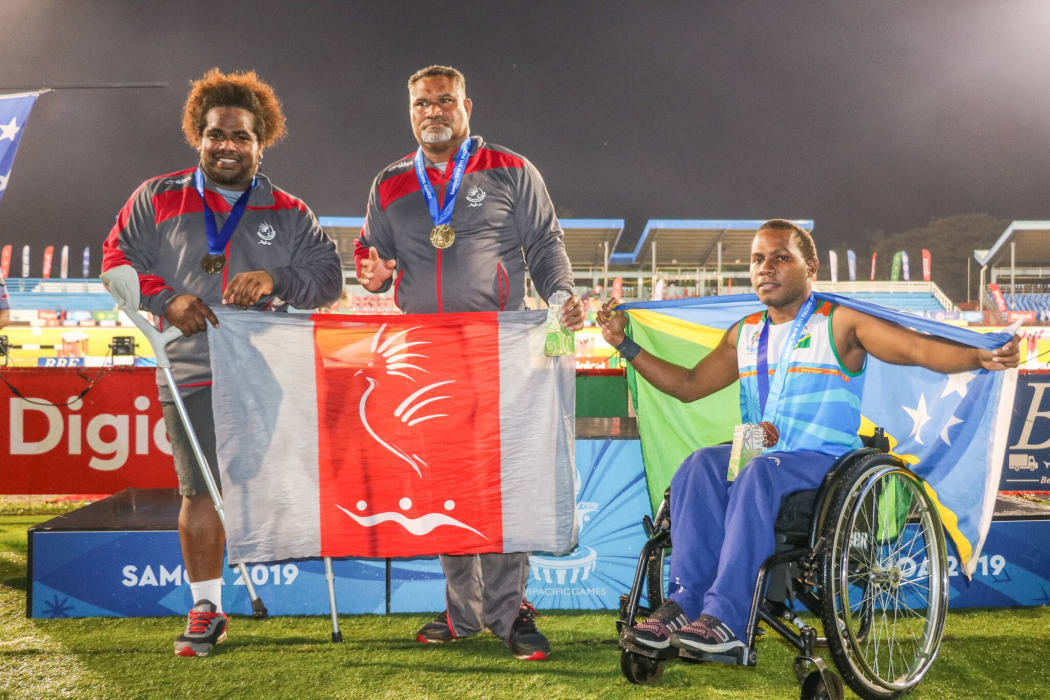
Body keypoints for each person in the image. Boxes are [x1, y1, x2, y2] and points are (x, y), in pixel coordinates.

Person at [597, 219, 1019, 659]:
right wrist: (625, 346)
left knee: (758, 470)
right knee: (699, 464)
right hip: (760, 452)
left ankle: (726, 618)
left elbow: (916, 349)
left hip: (823, 462)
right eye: (758, 259)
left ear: (810, 266)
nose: (766, 268)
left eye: (781, 258)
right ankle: (685, 604)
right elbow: (687, 384)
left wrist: (977, 355)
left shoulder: (840, 323)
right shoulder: (745, 333)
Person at [101, 69, 342, 657]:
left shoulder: (289, 210)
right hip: (190, 371)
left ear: (263, 142)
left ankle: (308, 591)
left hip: (269, 375)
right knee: (200, 492)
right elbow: (116, 261)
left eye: (241, 137)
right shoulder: (155, 196)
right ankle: (207, 606)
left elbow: (328, 281)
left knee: (272, 486)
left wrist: (276, 278)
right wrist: (166, 298)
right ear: (198, 136)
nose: (227, 146)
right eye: (215, 135)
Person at [354, 65, 585, 660]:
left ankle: (509, 612)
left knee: (500, 483)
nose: (434, 111)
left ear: (467, 107)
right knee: (445, 484)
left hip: (499, 350)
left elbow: (545, 243)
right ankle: (462, 611)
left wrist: (560, 294)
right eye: (422, 103)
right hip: (422, 356)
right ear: (410, 111)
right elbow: (372, 253)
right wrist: (373, 270)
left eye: (445, 101)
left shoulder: (511, 169)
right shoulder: (389, 182)